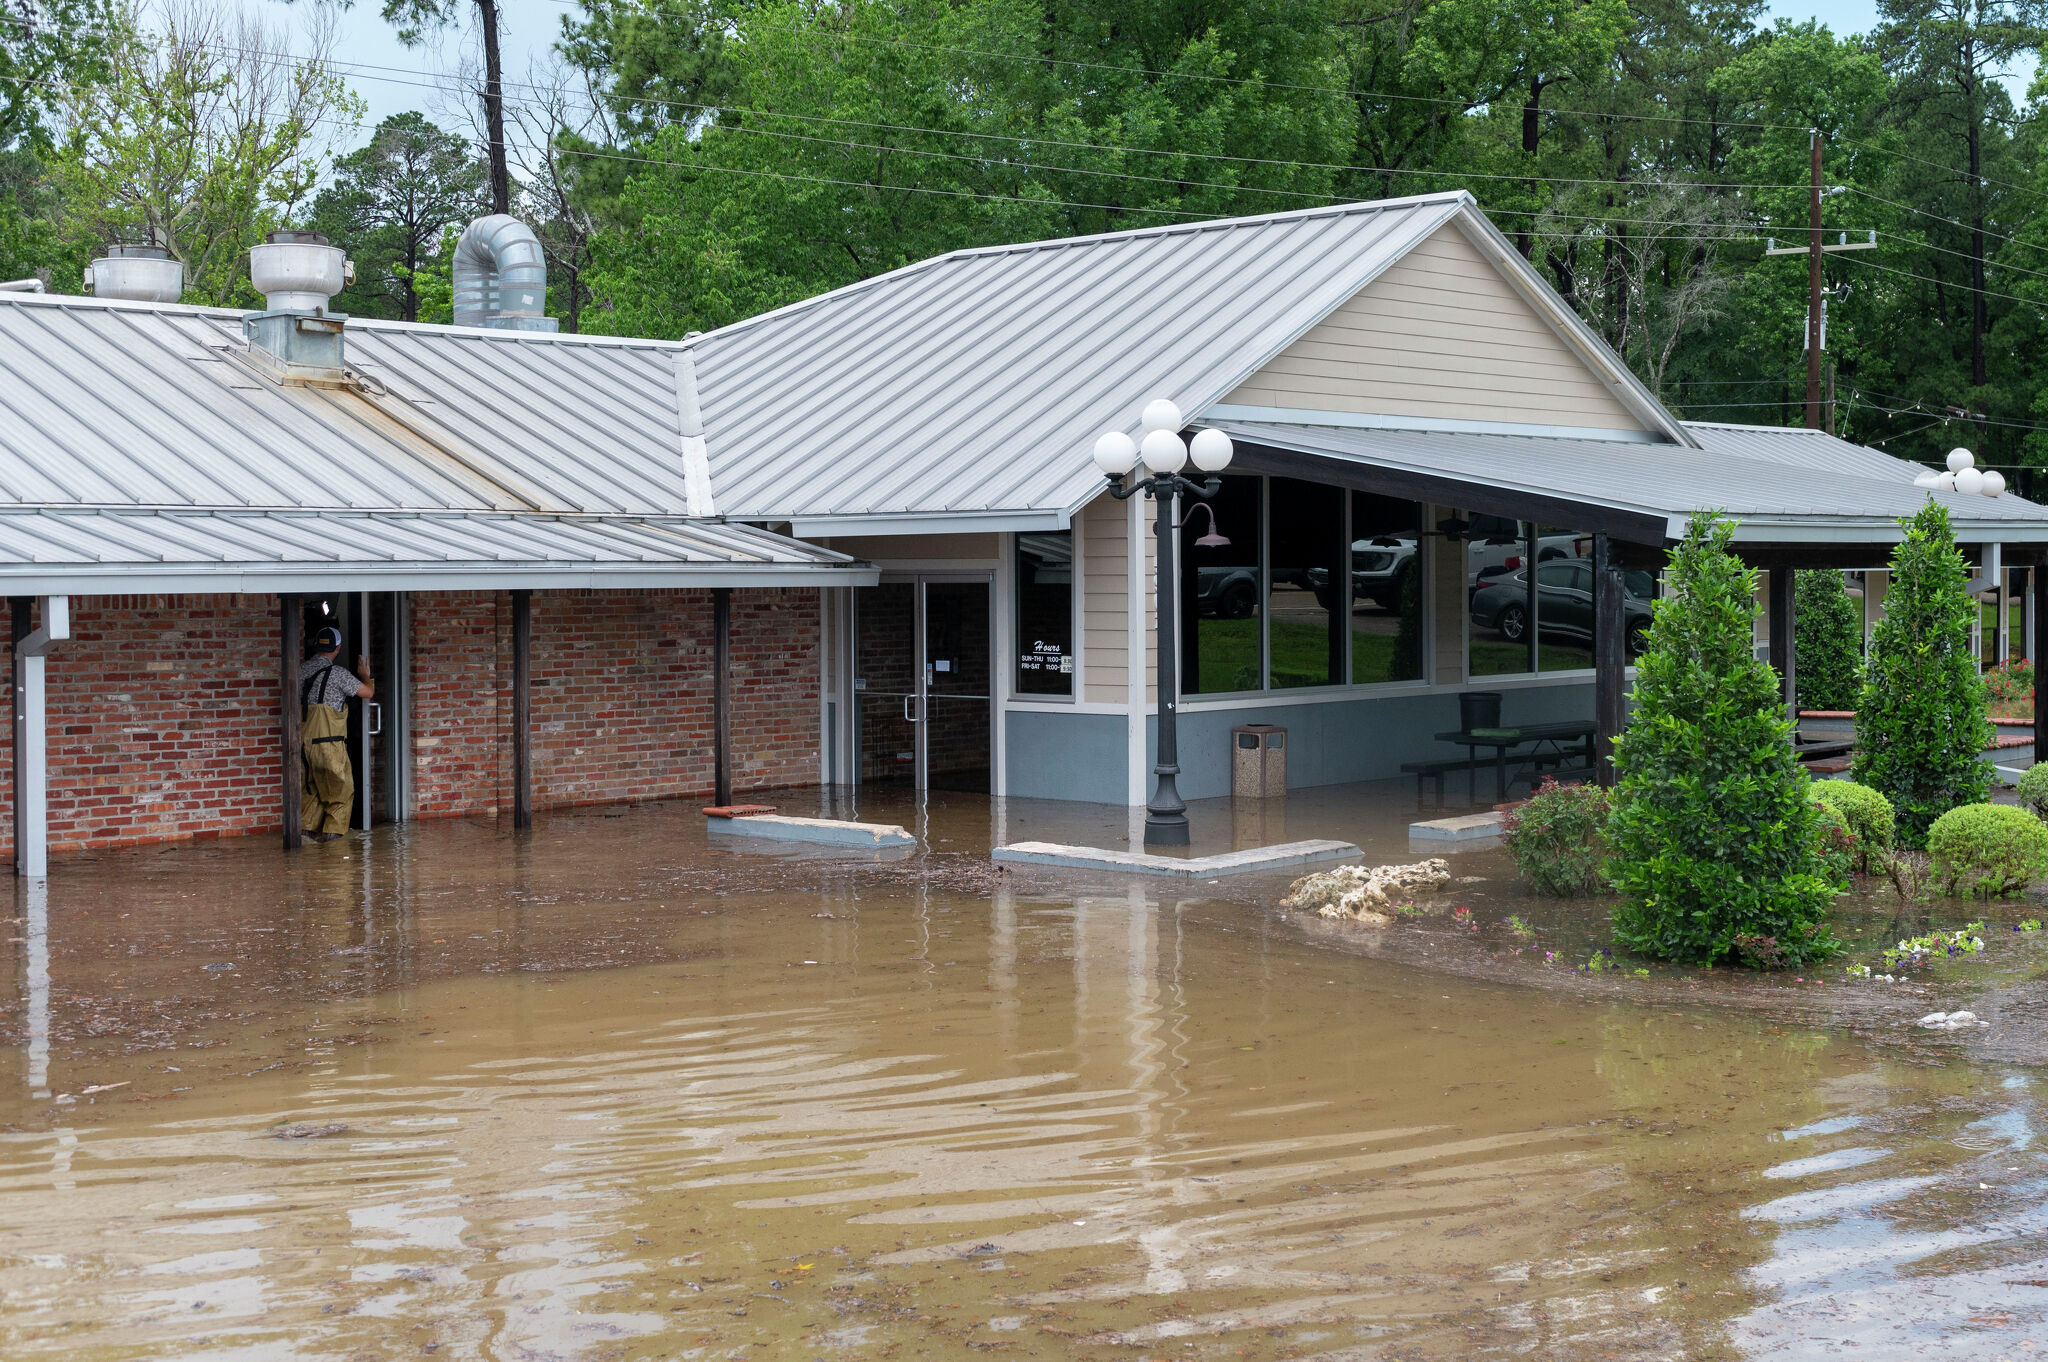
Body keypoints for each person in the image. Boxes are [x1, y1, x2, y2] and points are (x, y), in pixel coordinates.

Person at [299, 625, 375, 842]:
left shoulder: (300, 671)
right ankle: (333, 852)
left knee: (311, 794)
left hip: (303, 746)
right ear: (338, 647)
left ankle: (306, 847)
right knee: (340, 796)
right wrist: (365, 675)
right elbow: (367, 693)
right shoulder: (339, 674)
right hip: (329, 746)